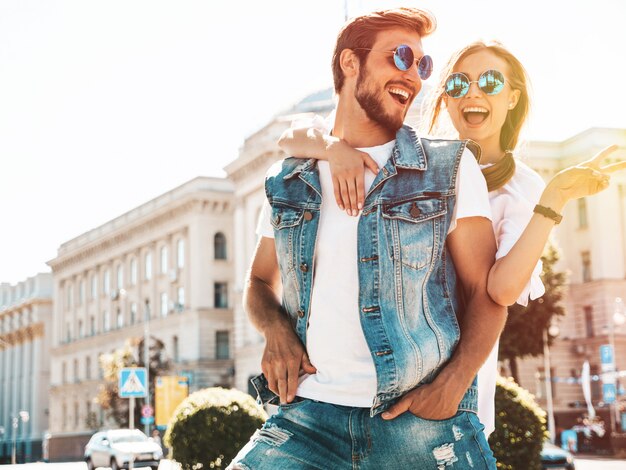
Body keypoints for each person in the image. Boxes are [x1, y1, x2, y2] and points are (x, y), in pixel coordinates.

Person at [277, 40, 625, 438]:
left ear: (512, 98)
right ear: (445, 98)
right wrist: (334, 149)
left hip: (449, 397)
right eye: (459, 84)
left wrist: (555, 198)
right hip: (373, 379)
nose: (473, 92)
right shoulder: (416, 160)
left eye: (490, 81)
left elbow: (502, 290)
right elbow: (290, 138)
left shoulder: (522, 186)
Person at [228, 8, 504, 469]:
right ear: (350, 63)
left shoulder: (448, 168)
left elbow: (485, 291)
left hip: (419, 425)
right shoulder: (289, 180)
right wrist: (274, 329)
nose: (413, 76)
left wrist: (454, 383)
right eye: (400, 57)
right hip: (307, 421)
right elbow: (257, 282)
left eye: (422, 64)